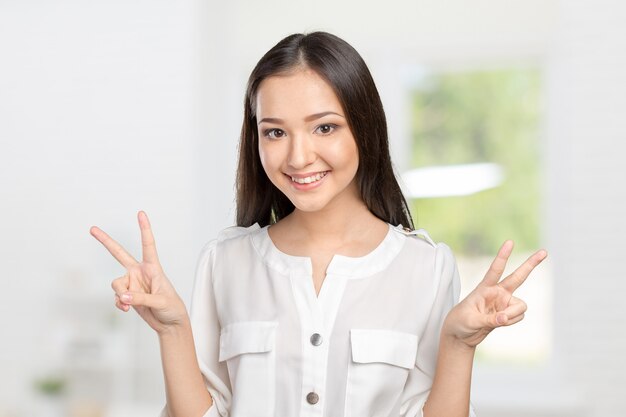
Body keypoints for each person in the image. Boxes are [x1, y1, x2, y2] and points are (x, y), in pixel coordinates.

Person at [90, 32, 547, 417]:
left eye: (324, 127)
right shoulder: (224, 262)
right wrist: (173, 330)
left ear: (364, 130)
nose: (298, 156)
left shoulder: (426, 268)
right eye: (275, 131)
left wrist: (459, 345)